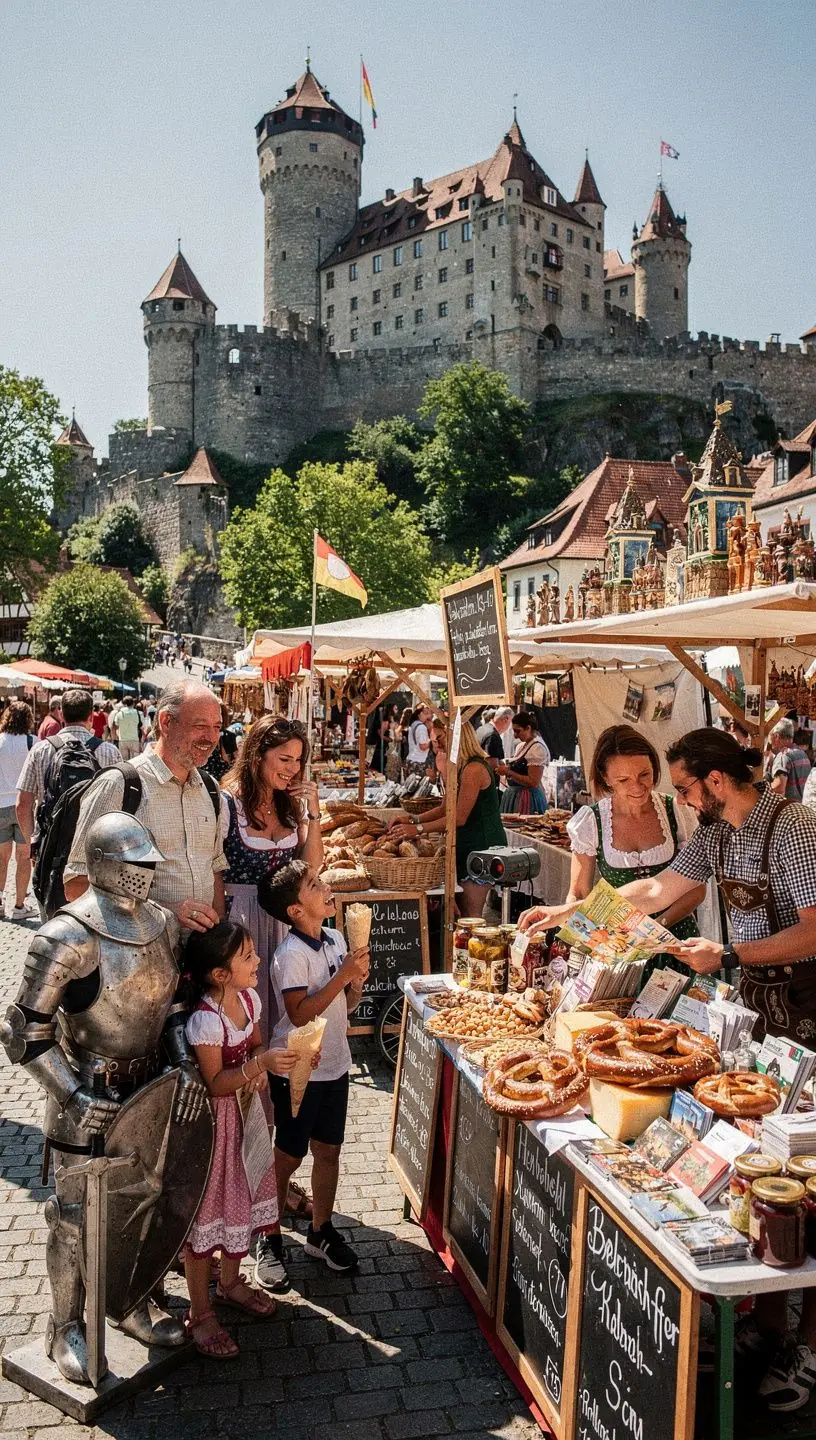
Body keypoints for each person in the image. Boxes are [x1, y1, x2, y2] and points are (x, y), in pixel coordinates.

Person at [529, 727, 816, 1412]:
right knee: (758, 1165)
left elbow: (813, 929)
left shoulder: (795, 828)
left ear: (714, 781)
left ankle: (807, 1349)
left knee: (807, 1178)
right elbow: (657, 888)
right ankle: (769, 1325)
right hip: (756, 1017)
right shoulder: (717, 834)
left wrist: (731, 956)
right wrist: (572, 913)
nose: (678, 798)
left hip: (807, 1012)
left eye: (684, 786)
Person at [183, 921, 305, 1355]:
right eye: (248, 957)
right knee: (210, 1211)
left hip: (247, 1120)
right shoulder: (205, 1019)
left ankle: (231, 1282)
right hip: (217, 1129)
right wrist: (258, 1068)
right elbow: (216, 1081)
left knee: (244, 1200)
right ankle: (199, 1312)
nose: (257, 961)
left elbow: (253, 1048)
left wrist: (258, 1060)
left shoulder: (249, 1000)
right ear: (220, 974)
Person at [258, 861, 369, 1284]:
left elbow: (347, 1006)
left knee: (328, 1150)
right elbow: (299, 1013)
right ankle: (267, 1234)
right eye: (313, 885)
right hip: (296, 1069)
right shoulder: (290, 956)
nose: (325, 888)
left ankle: (320, 1230)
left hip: (336, 1064)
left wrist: (356, 981)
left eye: (320, 881)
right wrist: (343, 975)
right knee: (288, 1154)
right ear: (295, 911)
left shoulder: (337, 938)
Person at [515, 725, 704, 970]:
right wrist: (578, 934)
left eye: (644, 775)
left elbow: (696, 889)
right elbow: (580, 893)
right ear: (606, 778)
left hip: (677, 943)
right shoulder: (592, 821)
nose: (637, 787)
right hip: (617, 947)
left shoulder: (677, 811)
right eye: (623, 780)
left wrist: (658, 930)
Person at [63, 679, 225, 935]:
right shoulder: (119, 785)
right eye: (200, 726)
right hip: (139, 962)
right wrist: (166, 912)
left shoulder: (211, 790)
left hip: (201, 961)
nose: (211, 738)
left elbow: (214, 870)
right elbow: (77, 884)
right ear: (166, 722)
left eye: (217, 727)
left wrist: (221, 940)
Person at [221, 715, 323, 1036]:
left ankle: (280, 1082)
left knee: (281, 1009)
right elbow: (212, 871)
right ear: (257, 755)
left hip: (281, 923)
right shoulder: (228, 803)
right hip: (240, 920)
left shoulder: (290, 805)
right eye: (284, 759)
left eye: (297, 761)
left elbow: (308, 868)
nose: (292, 768)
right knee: (244, 1011)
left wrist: (314, 812)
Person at [390, 721, 506, 917]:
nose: (437, 744)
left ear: (458, 736)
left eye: (440, 738)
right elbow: (445, 808)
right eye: (435, 740)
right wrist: (412, 820)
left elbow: (458, 817)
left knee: (471, 915)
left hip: (481, 847)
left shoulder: (474, 769)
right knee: (461, 914)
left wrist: (418, 829)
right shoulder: (460, 768)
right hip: (466, 847)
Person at [16, 689, 122, 854]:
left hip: (50, 845)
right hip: (94, 848)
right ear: (91, 717)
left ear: (62, 715)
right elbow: (120, 804)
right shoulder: (110, 752)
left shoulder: (40, 750)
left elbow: (22, 805)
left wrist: (34, 844)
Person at [0, 701, 36, 919]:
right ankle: (19, 906)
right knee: (23, 858)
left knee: (1, 859)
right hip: (24, 806)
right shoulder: (32, 742)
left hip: (0, 806)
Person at [496, 711, 550, 814]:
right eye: (514, 731)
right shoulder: (522, 746)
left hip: (527, 799)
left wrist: (509, 772)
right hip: (515, 796)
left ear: (528, 728)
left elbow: (533, 782)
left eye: (518, 731)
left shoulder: (537, 748)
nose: (515, 736)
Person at [769, 717, 811, 800]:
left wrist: (766, 789)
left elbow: (779, 789)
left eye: (770, 736)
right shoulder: (802, 753)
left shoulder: (783, 756)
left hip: (790, 809)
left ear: (776, 736)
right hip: (803, 809)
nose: (769, 742)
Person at [109, 694, 142, 760]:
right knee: (135, 760)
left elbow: (116, 725)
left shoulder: (119, 713)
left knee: (124, 760)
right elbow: (140, 725)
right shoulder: (137, 713)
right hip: (134, 739)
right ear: (133, 703)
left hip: (123, 739)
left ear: (124, 703)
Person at [405, 704, 432, 778]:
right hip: (418, 762)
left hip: (411, 760)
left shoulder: (413, 724)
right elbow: (423, 747)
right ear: (420, 714)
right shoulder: (421, 727)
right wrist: (432, 742)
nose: (428, 716)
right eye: (426, 713)